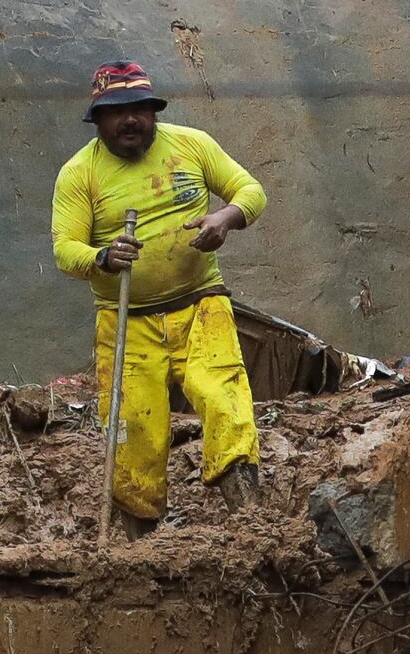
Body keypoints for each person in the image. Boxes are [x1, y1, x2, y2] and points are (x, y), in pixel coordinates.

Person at [52, 60, 270, 522]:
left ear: (154, 112)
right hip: (126, 323)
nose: (130, 119)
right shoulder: (79, 173)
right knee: (132, 433)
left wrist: (224, 218)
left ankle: (252, 523)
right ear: (98, 119)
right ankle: (140, 543)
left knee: (226, 403)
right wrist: (103, 256)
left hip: (201, 306)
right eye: (117, 112)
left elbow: (250, 191)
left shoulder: (193, 145)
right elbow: (65, 250)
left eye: (140, 109)